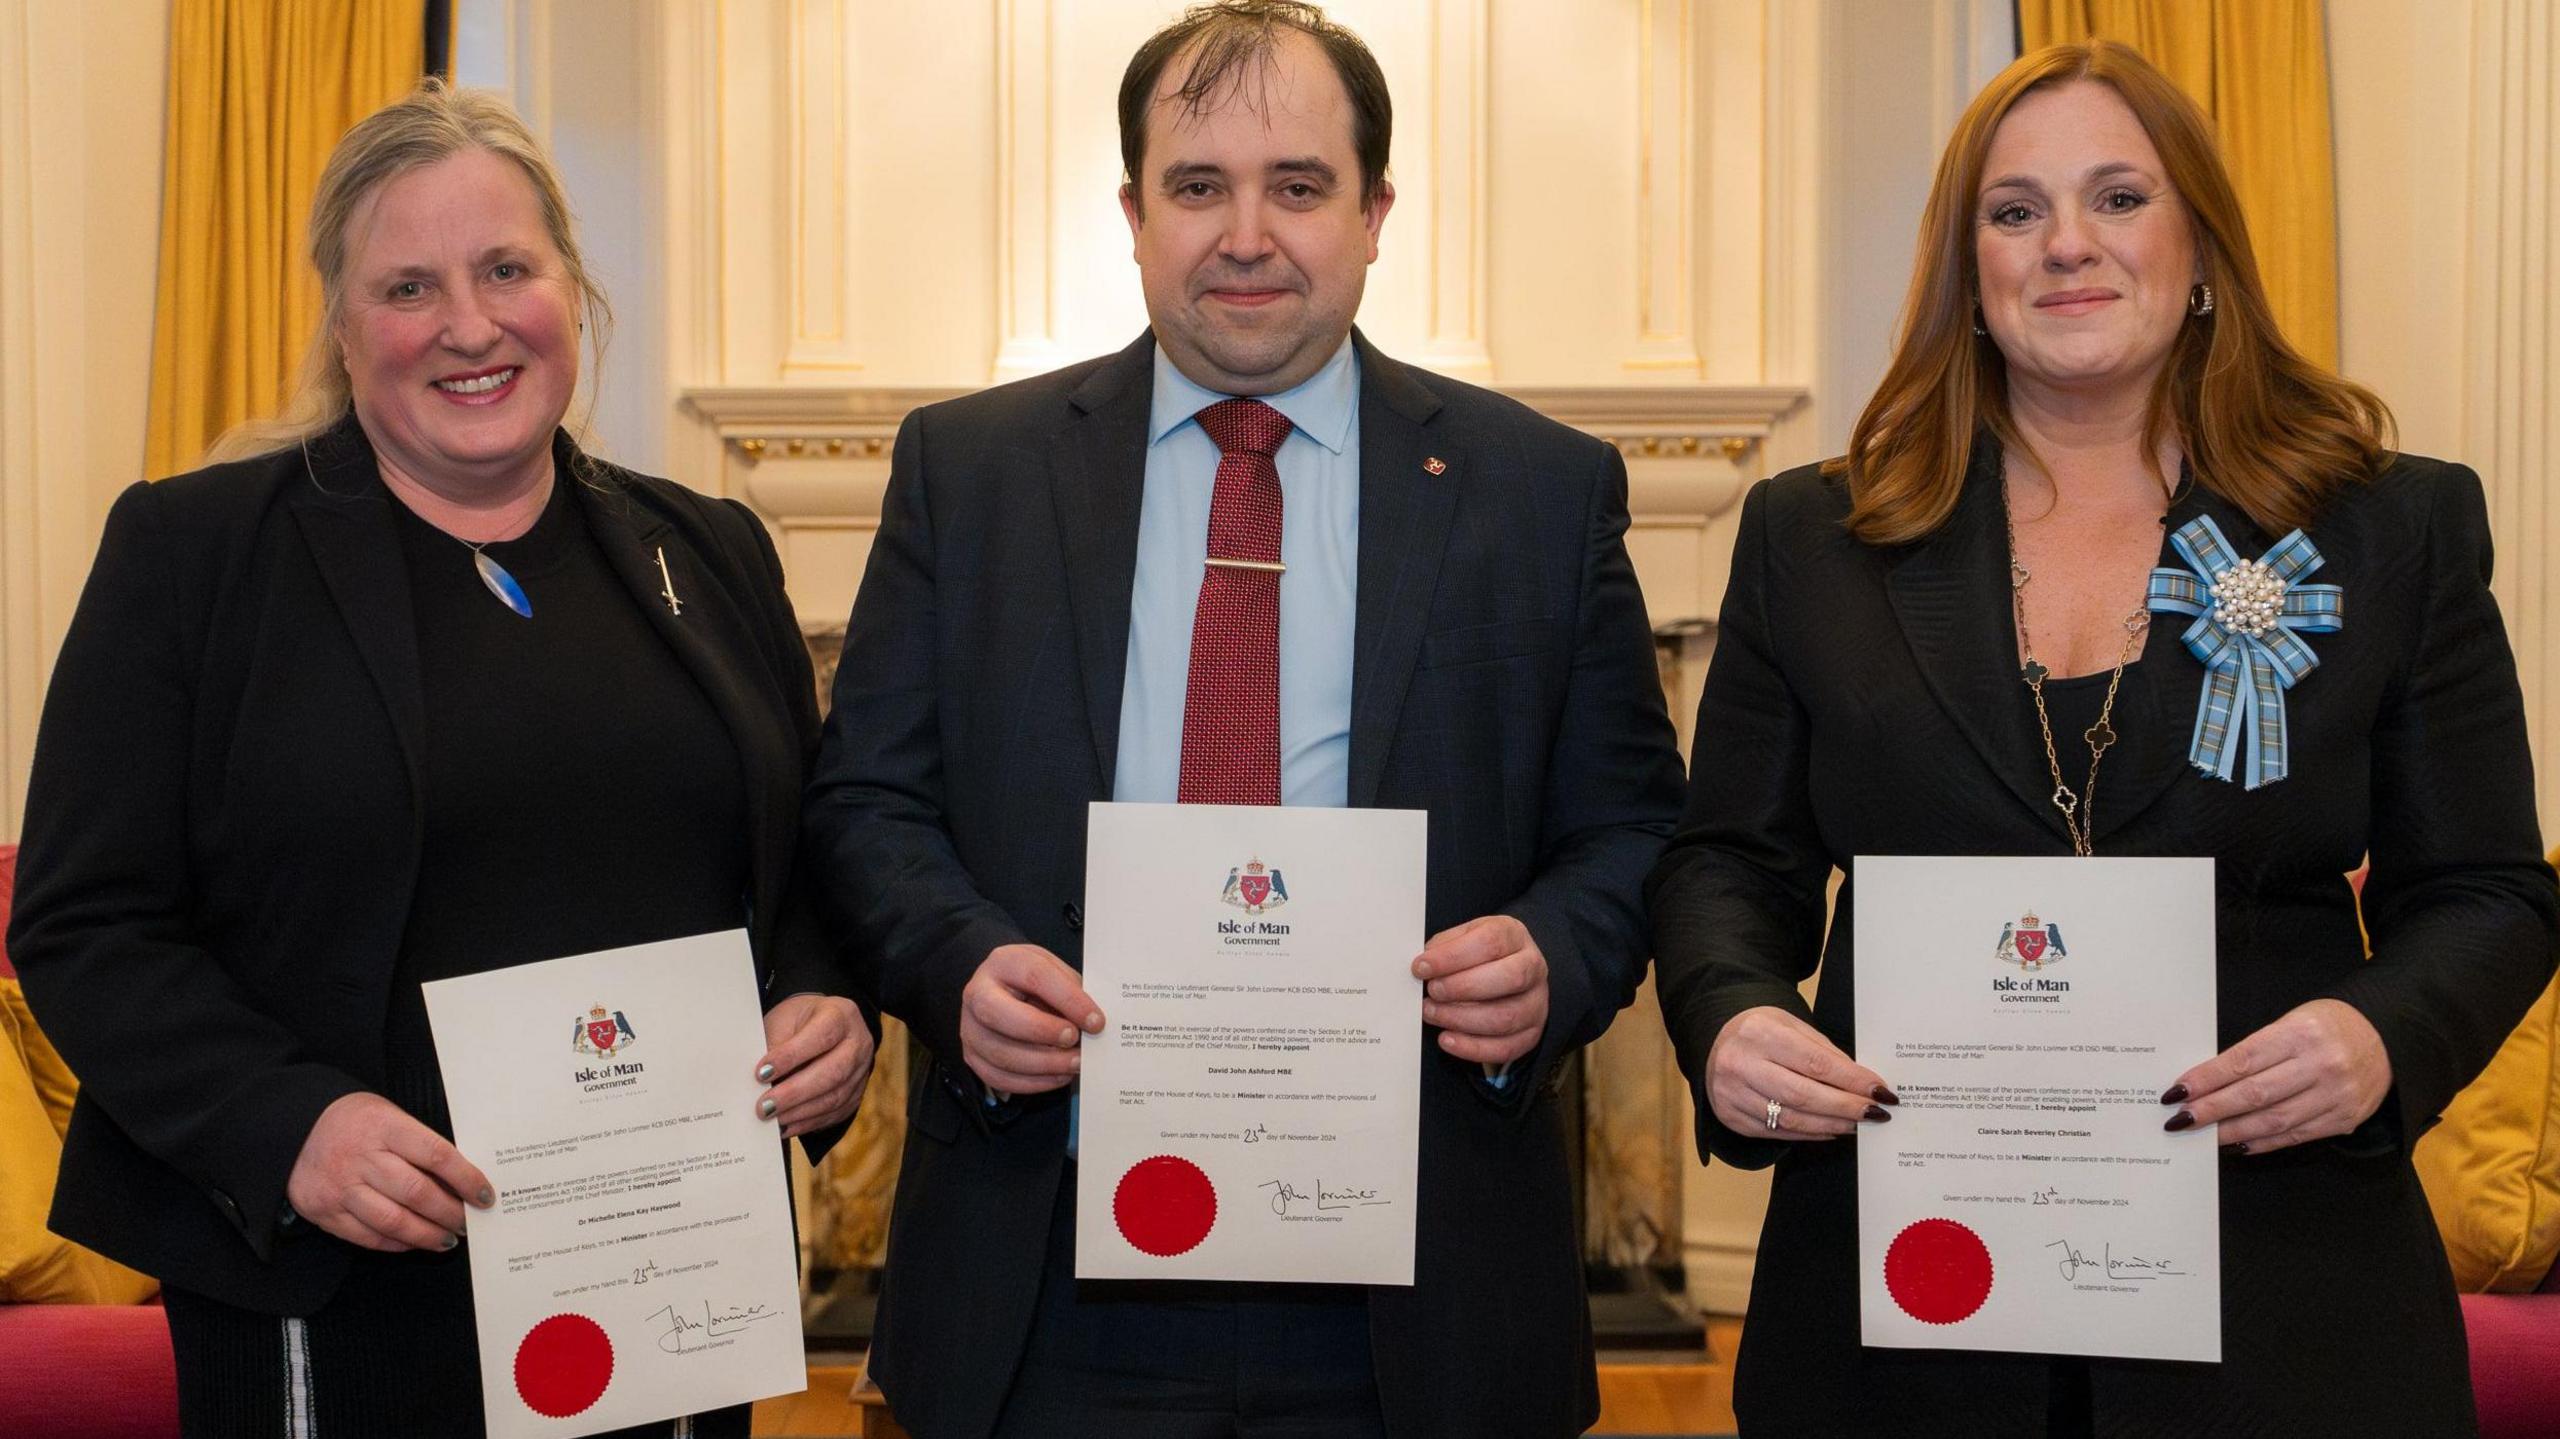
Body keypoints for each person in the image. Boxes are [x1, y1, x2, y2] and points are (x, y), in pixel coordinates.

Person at [1648, 40, 2560, 1437]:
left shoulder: (2387, 527)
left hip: (2286, 1295)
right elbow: (1729, 864)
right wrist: (1731, 1014)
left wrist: (2382, 1037)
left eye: (2118, 198)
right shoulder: (1812, 538)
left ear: (2200, 245)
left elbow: (2491, 891)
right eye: (2014, 213)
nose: (2066, 245)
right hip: (1901, 1310)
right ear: (1969, 269)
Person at [803, 4, 1683, 1436]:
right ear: (1134, 214)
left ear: (1377, 211)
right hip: (1048, 1278)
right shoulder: (969, 474)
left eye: (1299, 185)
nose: (1247, 233)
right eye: (1198, 186)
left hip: (1421, 1283)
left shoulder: (1539, 489)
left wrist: (1553, 957)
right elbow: (866, 805)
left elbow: (1636, 825)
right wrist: (960, 965)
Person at [7, 82, 874, 1438]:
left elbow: (805, 867)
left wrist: (831, 1001)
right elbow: (84, 922)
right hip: (341, 1293)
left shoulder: (707, 550)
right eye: (409, 285)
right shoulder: (198, 557)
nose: (469, 326)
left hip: (661, 1276)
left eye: (506, 269)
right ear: (345, 327)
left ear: (570, 290)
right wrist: (290, 1127)